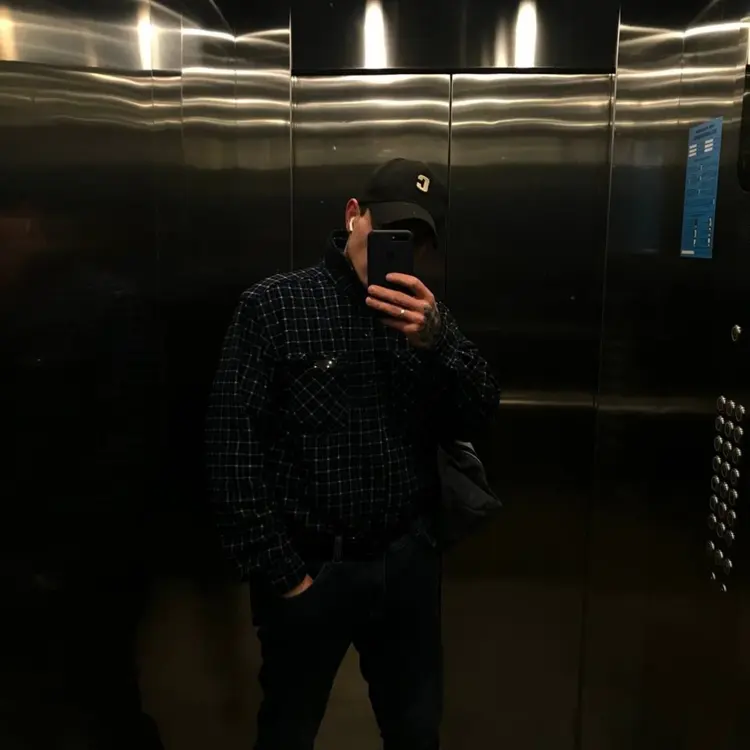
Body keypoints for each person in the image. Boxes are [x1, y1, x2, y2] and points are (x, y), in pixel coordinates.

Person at [206, 157, 500, 750]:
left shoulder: (426, 320)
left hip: (406, 564)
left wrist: (439, 341)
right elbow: (232, 450)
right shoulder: (275, 306)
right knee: (288, 731)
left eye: (415, 240)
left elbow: (482, 412)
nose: (399, 249)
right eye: (388, 230)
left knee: (415, 731)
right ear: (352, 216)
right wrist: (285, 576)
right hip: (311, 568)